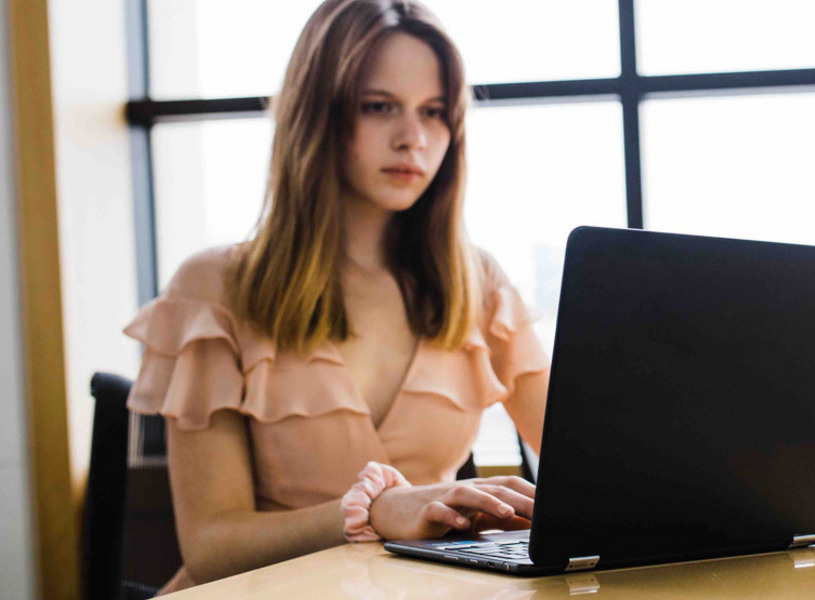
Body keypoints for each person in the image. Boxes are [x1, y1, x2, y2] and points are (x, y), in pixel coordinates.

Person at [123, 0, 549, 593]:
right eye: (379, 107)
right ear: (318, 114)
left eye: (434, 112)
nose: (413, 139)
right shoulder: (212, 290)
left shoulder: (478, 286)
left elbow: (595, 460)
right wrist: (374, 511)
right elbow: (210, 545)